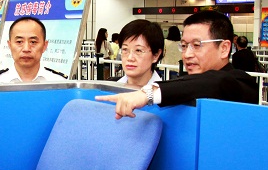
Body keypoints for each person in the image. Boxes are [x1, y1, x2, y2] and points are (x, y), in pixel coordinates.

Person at [96, 10, 258, 118]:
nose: (187, 54)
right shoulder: (182, 85)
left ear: (224, 48)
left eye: (196, 45)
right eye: (184, 45)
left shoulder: (240, 83)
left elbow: (218, 82)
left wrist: (147, 94)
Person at [0, 17, 68, 83]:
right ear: (9, 45)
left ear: (44, 46)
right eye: (19, 42)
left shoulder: (60, 83)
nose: (26, 49)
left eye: (33, 42)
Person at [115, 19, 164, 90]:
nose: (130, 58)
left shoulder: (165, 98)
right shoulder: (109, 89)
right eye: (125, 49)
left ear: (156, 55)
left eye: (138, 50)